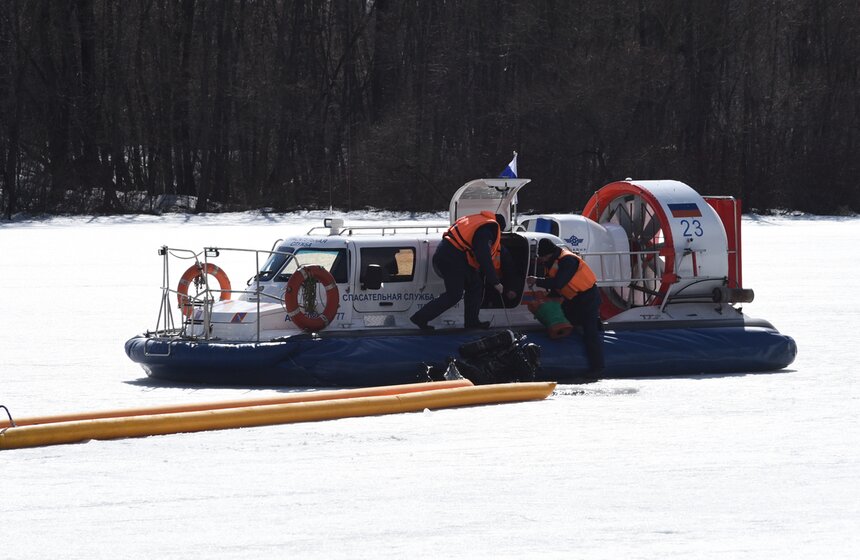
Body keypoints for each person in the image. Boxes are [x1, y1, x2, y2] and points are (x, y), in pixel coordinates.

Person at [410, 212, 506, 330]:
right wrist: (495, 281)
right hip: (452, 258)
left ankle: (472, 322)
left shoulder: (478, 220)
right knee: (454, 295)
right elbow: (483, 256)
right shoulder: (486, 231)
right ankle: (420, 317)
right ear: (499, 226)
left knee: (475, 285)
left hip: (451, 255)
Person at [527, 238, 604, 374]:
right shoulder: (552, 262)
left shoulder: (568, 260)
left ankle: (597, 368)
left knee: (589, 333)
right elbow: (557, 289)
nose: (542, 260)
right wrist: (544, 299)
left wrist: (537, 281)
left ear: (550, 254)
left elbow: (559, 283)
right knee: (569, 321)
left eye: (543, 257)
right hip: (573, 299)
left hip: (588, 297)